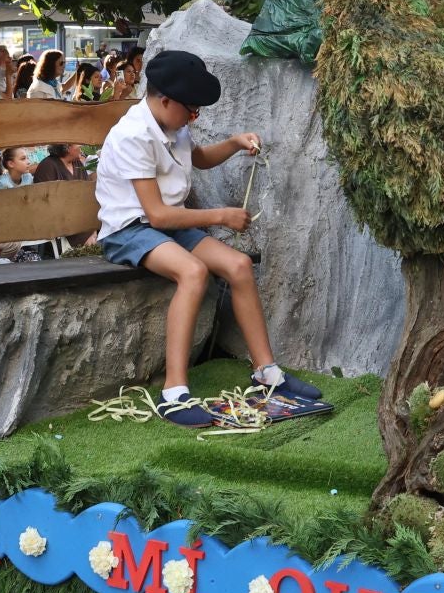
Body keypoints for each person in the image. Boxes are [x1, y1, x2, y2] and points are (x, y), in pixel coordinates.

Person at [93, 49, 319, 426]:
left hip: (169, 226)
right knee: (194, 272)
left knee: (239, 265)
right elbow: (156, 214)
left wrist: (235, 143)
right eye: (192, 110)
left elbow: (198, 158)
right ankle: (174, 392)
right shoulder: (133, 135)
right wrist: (220, 216)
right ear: (166, 100)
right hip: (130, 230)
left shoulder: (172, 122)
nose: (194, 116)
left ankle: (267, 373)